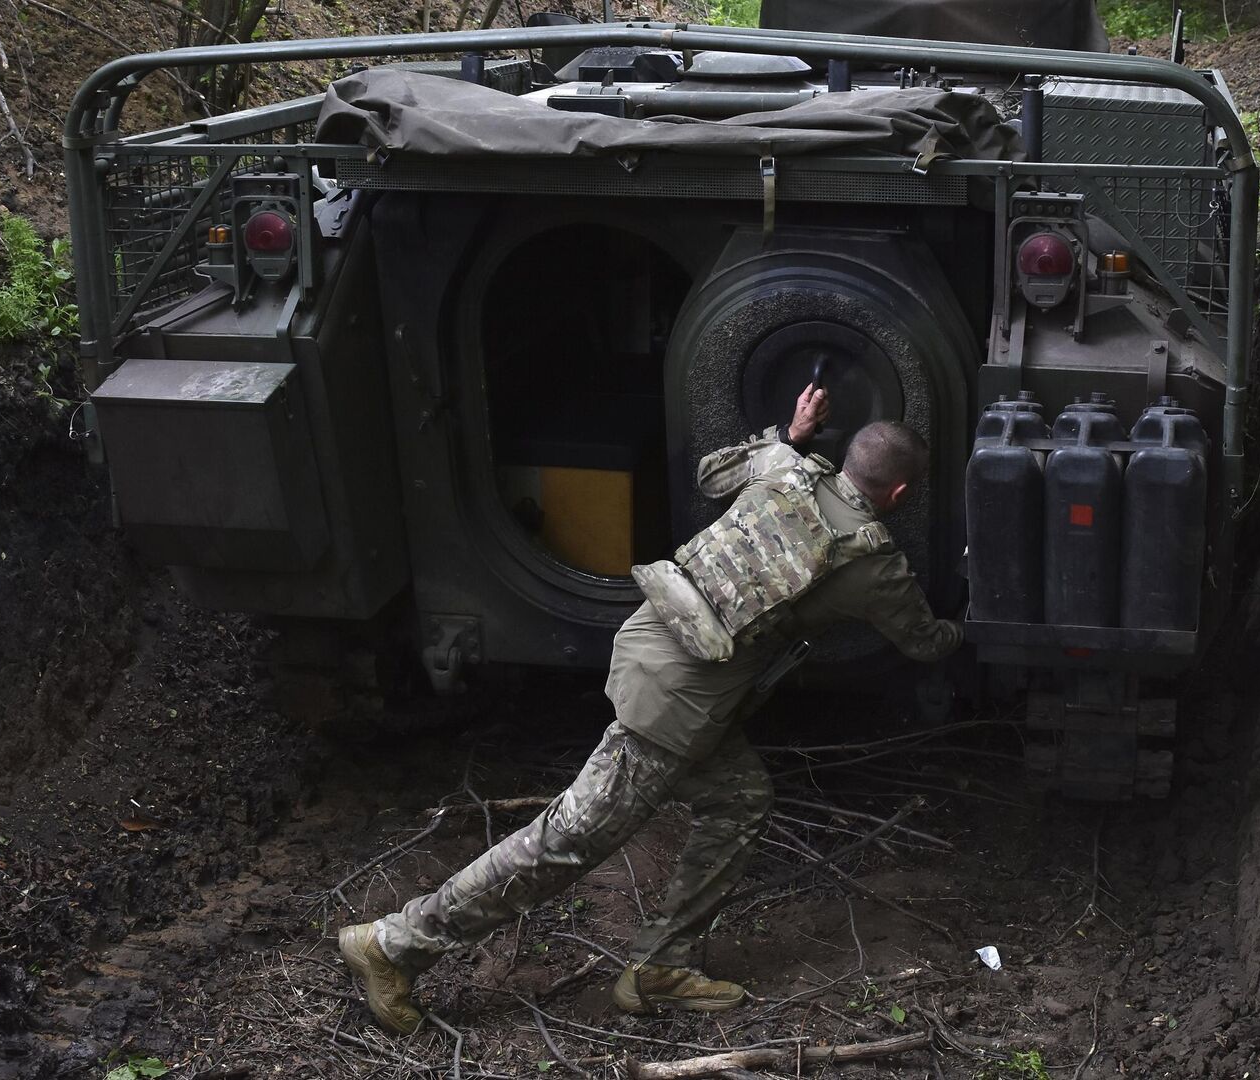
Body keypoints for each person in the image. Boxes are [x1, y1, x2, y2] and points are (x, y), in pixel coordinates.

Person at [339, 385, 962, 1034]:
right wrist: (970, 619)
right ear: (897, 495)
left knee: (741, 799)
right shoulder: (872, 561)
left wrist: (792, 434)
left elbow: (712, 472)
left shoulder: (789, 466)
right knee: (567, 841)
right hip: (676, 707)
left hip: (653, 646)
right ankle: (393, 946)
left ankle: (661, 966)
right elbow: (925, 640)